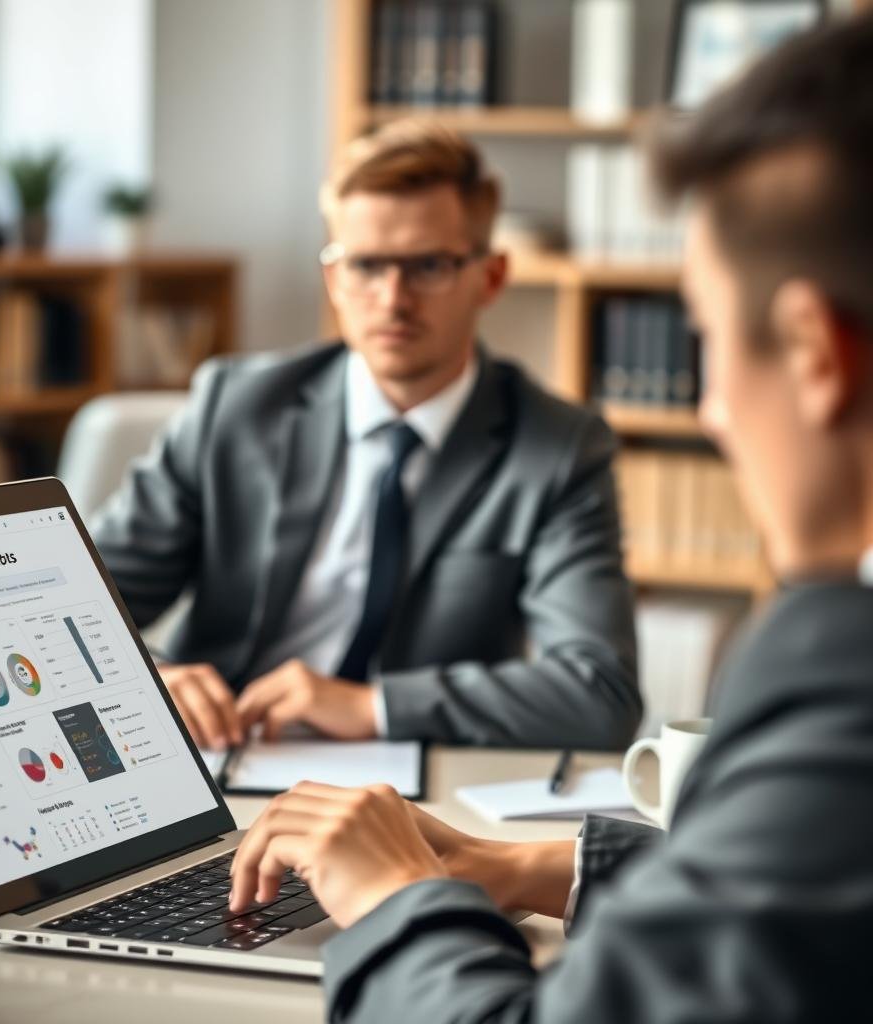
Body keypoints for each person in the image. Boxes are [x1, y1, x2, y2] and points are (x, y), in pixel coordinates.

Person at [228, 14, 873, 1021]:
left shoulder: (840, 671)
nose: (708, 410)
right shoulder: (236, 405)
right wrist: (529, 864)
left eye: (703, 339)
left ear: (811, 356)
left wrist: (402, 898)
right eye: (363, 265)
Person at [92, 121, 639, 753]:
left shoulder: (558, 450)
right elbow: (80, 610)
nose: (392, 299)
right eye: (366, 265)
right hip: (218, 760)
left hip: (411, 792)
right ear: (333, 279)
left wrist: (371, 706)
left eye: (428, 266)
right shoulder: (235, 408)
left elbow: (601, 693)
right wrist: (154, 680)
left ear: (489, 277)